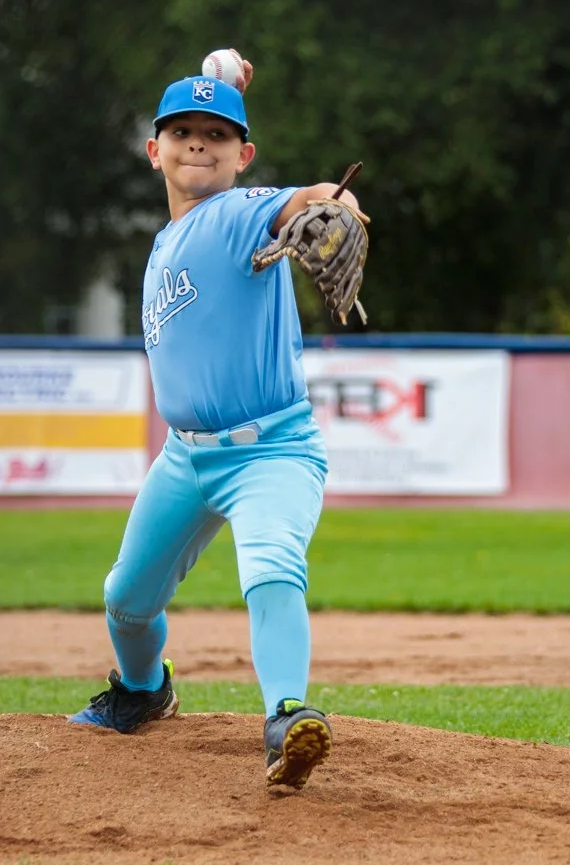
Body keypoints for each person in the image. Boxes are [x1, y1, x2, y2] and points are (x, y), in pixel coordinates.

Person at [68, 55, 362, 790]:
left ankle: (288, 716)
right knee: (125, 600)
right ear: (154, 149)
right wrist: (221, 88)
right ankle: (143, 691)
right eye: (184, 132)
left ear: (243, 156)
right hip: (185, 461)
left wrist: (338, 205)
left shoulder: (238, 214)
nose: (199, 144)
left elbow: (305, 199)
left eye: (218, 135)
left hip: (272, 452)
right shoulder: (165, 242)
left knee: (270, 564)